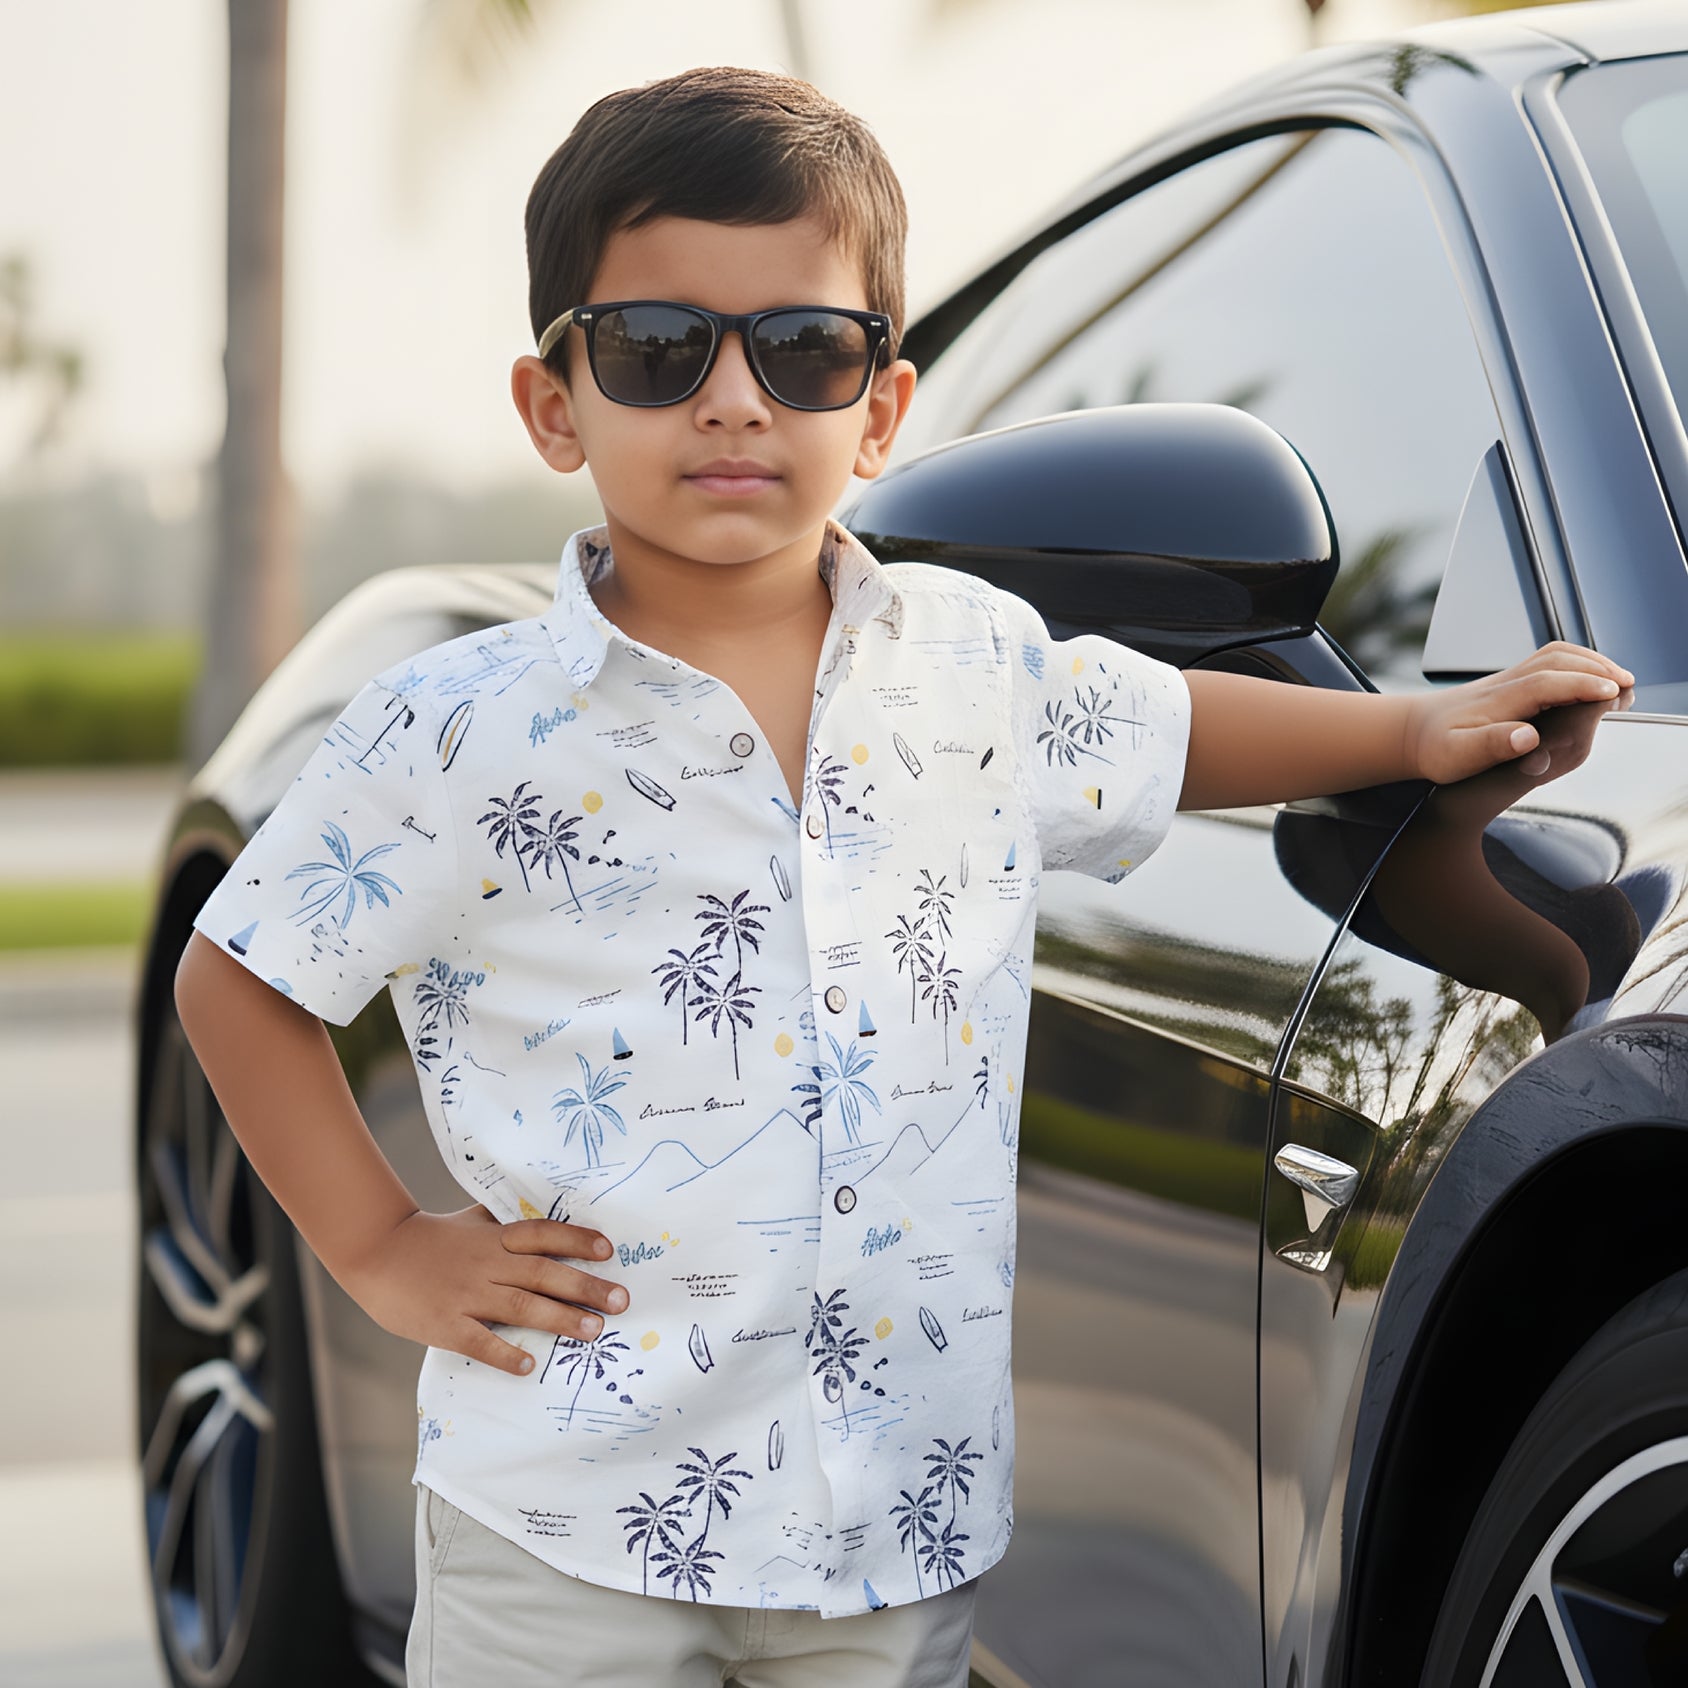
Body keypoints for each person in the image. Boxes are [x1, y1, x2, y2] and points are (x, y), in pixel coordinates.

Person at [173, 64, 1633, 1688]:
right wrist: (384, 1250)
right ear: (553, 402)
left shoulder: (966, 668)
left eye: (801, 353)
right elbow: (236, 977)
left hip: (890, 1520)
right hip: (562, 1512)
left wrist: (1415, 732)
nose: (734, 400)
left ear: (879, 409)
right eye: (661, 349)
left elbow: (1165, 726)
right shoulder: (453, 730)